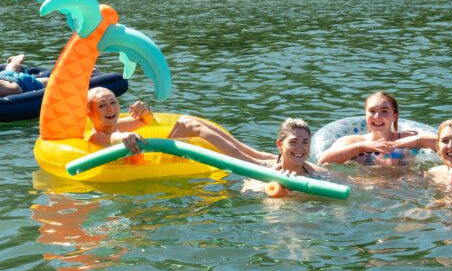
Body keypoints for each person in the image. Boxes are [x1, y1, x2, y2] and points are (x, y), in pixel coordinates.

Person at [87, 87, 324, 179]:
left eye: (113, 102)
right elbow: (111, 140)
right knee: (192, 126)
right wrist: (124, 138)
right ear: (91, 113)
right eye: (102, 105)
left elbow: (148, 120)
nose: (111, 109)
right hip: (155, 162)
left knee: (189, 121)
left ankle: (265, 158)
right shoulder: (98, 134)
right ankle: (255, 163)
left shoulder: (122, 122)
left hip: (158, 156)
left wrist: (144, 110)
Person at [318, 91, 423, 166]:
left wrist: (416, 141)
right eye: (372, 111)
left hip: (404, 188)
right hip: (366, 188)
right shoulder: (353, 141)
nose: (377, 117)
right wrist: (361, 147)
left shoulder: (409, 138)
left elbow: (437, 143)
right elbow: (323, 161)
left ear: (394, 116)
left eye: (384, 111)